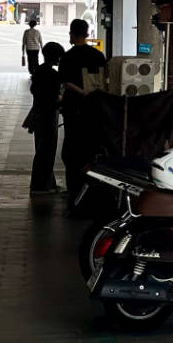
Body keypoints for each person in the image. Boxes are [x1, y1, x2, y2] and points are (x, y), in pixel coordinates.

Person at [57, 19, 108, 205]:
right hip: (95, 109)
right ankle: (92, 187)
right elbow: (104, 80)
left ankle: (74, 188)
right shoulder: (98, 55)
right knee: (91, 147)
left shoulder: (67, 57)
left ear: (71, 34)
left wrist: (81, 93)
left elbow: (66, 83)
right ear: (87, 34)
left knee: (72, 149)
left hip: (73, 109)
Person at [26, 42, 65, 193]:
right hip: (48, 115)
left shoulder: (40, 70)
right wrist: (62, 99)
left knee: (42, 149)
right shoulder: (53, 75)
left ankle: (48, 183)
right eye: (59, 57)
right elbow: (56, 97)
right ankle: (41, 186)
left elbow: (33, 90)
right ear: (55, 57)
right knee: (47, 151)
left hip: (38, 114)